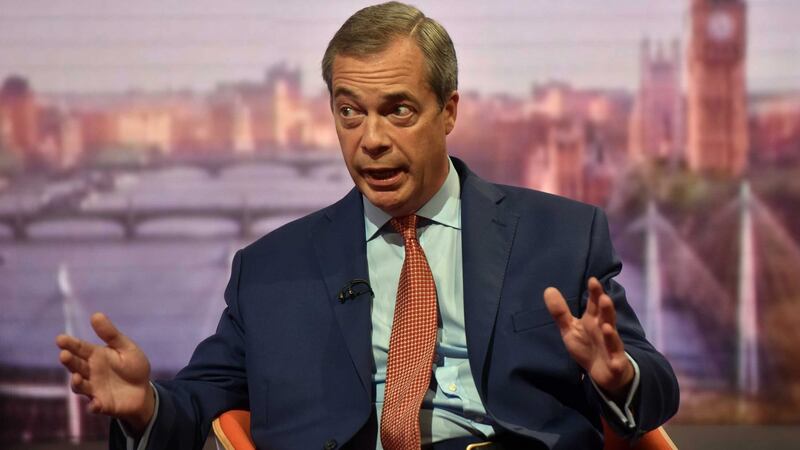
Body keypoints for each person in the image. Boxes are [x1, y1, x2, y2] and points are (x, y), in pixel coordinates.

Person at [55, 2, 679, 449]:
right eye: (349, 112)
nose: (371, 139)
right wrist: (143, 405)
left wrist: (620, 378)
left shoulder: (559, 236)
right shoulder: (268, 270)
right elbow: (196, 406)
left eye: (397, 110)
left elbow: (652, 390)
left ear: (448, 112)